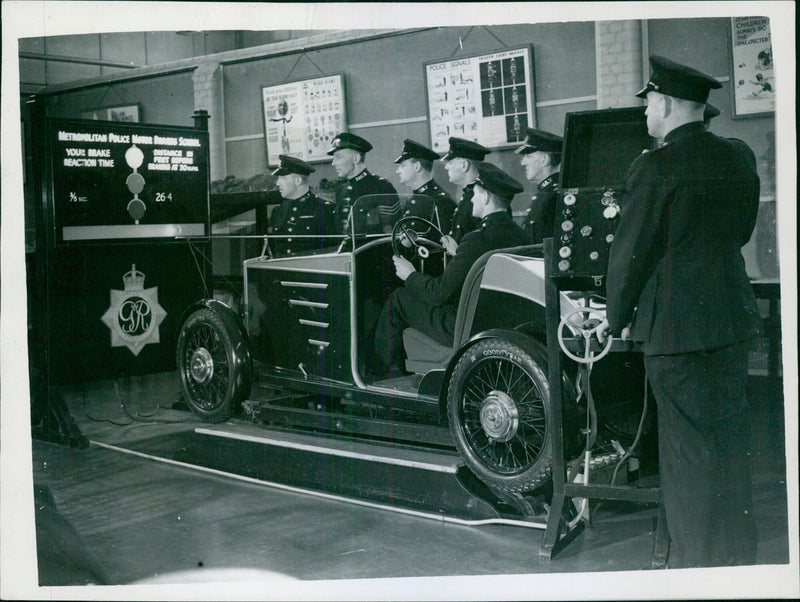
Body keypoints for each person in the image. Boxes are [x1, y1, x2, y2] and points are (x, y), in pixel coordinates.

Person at [599, 55, 762, 568]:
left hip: (676, 331)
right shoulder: (738, 158)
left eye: (648, 102)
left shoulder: (654, 166)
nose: (646, 112)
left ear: (665, 103)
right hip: (732, 323)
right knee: (731, 447)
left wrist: (613, 314)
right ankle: (738, 561)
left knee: (688, 458)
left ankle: (700, 570)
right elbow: (739, 232)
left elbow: (629, 255)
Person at [369, 162, 530, 376]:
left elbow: (437, 294)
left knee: (399, 298)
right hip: (501, 323)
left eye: (475, 194)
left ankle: (376, 374)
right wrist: (458, 254)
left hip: (465, 326)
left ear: (486, 197)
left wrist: (409, 274)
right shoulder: (522, 236)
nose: (471, 198)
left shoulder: (477, 239)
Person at [328, 132, 397, 234]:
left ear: (356, 158)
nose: (333, 163)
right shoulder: (341, 187)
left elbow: (390, 231)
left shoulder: (381, 186)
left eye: (338, 157)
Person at [269, 155, 335, 256]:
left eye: (283, 178)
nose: (278, 183)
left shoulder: (325, 209)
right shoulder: (278, 211)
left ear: (298, 181)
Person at [440, 137, 491, 256]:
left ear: (464, 165)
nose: (446, 167)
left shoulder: (483, 199)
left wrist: (457, 253)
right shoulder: (469, 196)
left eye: (450, 162)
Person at [393, 138, 456, 233]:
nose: (397, 171)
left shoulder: (439, 201)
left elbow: (444, 243)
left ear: (417, 166)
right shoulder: (415, 199)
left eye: (403, 166)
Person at [516, 128, 563, 244]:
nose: (523, 162)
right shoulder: (545, 194)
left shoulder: (553, 197)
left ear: (544, 159)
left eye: (528, 156)